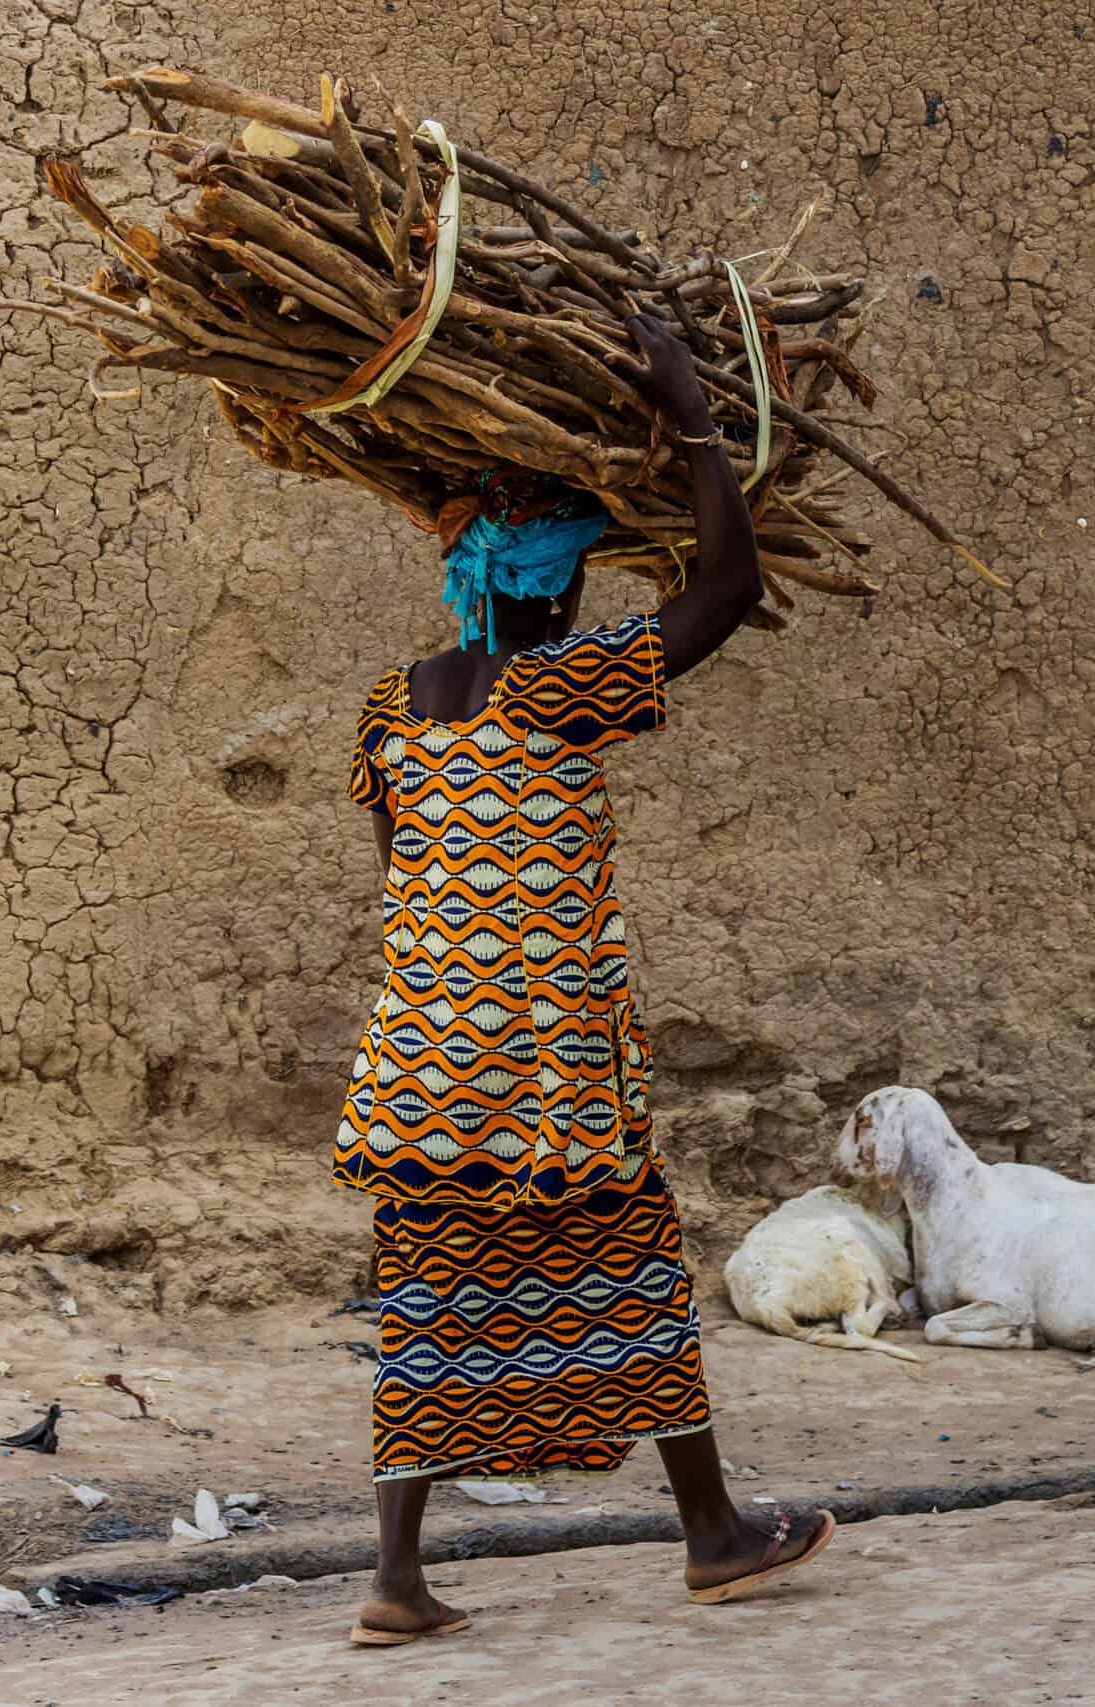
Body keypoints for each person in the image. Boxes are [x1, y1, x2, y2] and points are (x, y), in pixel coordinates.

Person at [336, 315, 834, 1646]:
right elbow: (726, 589)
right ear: (554, 598)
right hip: (543, 1085)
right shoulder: (563, 691)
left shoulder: (392, 708)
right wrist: (691, 413)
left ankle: (395, 1580)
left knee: (428, 1310)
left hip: (418, 1081)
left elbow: (409, 871)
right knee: (628, 1283)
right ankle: (714, 1534)